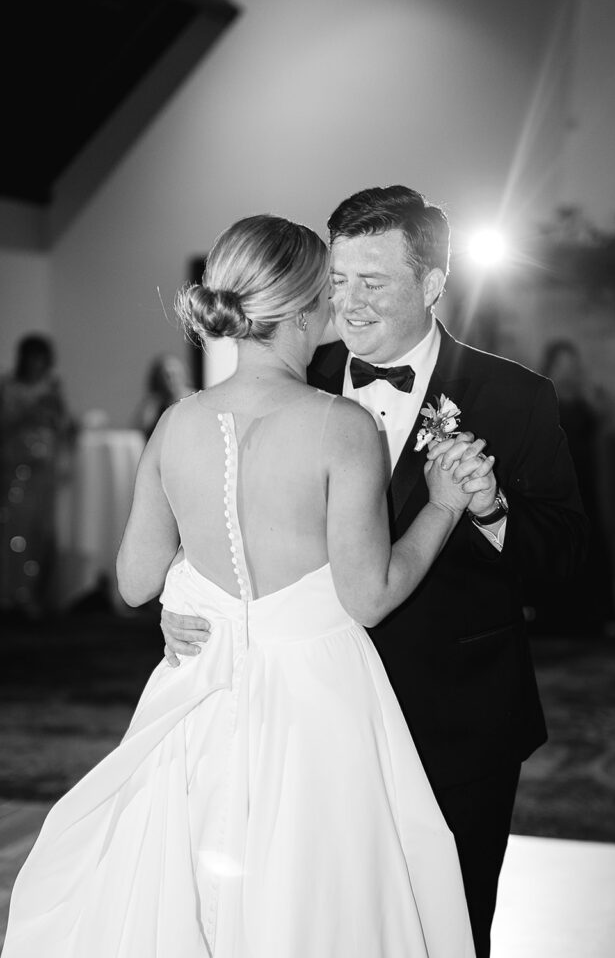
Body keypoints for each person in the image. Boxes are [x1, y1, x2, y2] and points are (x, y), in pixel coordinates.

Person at [2, 214, 484, 957]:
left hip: (200, 689)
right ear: (299, 309)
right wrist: (445, 509)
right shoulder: (341, 425)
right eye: (327, 286)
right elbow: (370, 594)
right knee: (313, 892)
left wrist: (190, 596)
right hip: (316, 698)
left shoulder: (176, 423)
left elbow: (133, 582)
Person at [162, 186, 589, 958]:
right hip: (309, 724)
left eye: (373, 283)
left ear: (431, 285)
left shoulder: (514, 398)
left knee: (447, 934)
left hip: (455, 725)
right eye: (336, 281)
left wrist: (492, 513)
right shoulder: (290, 377)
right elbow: (214, 505)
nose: (346, 305)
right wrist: (183, 593)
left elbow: (567, 567)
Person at [533, 339, 615, 635]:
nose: (569, 369)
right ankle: (553, 618)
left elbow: (603, 426)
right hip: (555, 485)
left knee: (589, 545)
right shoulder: (542, 396)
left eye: (572, 363)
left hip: (585, 484)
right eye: (563, 363)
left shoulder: (585, 398)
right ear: (552, 365)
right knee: (555, 545)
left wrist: (595, 401)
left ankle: (594, 618)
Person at [0, 334, 74, 617]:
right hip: (15, 466)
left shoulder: (52, 388)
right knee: (13, 532)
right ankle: (11, 594)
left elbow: (64, 426)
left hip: (44, 468)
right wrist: (30, 409)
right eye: (32, 357)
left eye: (41, 357)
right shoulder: (8, 387)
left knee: (40, 533)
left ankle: (33, 594)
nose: (36, 363)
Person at [133, 353, 194, 439]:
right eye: (166, 376)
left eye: (175, 374)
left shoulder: (194, 401)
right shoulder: (153, 405)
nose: (172, 380)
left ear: (183, 375)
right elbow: (139, 431)